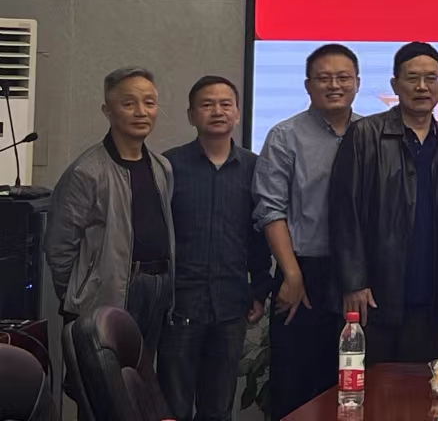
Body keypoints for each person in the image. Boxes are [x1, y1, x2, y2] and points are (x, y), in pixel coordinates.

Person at [330, 42, 438, 364]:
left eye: (431, 78)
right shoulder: (365, 134)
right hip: (374, 293)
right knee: (372, 385)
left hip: (429, 295)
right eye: (412, 78)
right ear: (395, 84)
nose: (422, 87)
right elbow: (343, 212)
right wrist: (354, 281)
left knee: (417, 385)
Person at [252, 44, 361, 419]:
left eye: (343, 77)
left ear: (358, 83)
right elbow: (270, 209)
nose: (334, 85)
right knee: (296, 383)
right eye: (324, 78)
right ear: (307, 85)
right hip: (302, 271)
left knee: (350, 382)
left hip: (356, 276)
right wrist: (292, 274)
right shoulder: (285, 136)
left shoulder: (371, 134)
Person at [158, 76, 271, 421]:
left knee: (218, 407)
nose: (217, 111)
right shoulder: (168, 167)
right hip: (179, 304)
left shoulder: (254, 168)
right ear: (191, 115)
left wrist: (259, 290)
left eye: (225, 104)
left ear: (237, 112)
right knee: (173, 405)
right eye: (207, 105)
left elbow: (259, 236)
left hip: (231, 305)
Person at [45, 67, 175, 353]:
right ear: (107, 111)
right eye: (128, 104)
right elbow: (59, 246)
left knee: (142, 375)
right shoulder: (86, 172)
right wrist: (81, 293)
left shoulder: (161, 166)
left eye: (149, 103)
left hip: (156, 289)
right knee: (99, 378)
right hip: (104, 294)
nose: (141, 112)